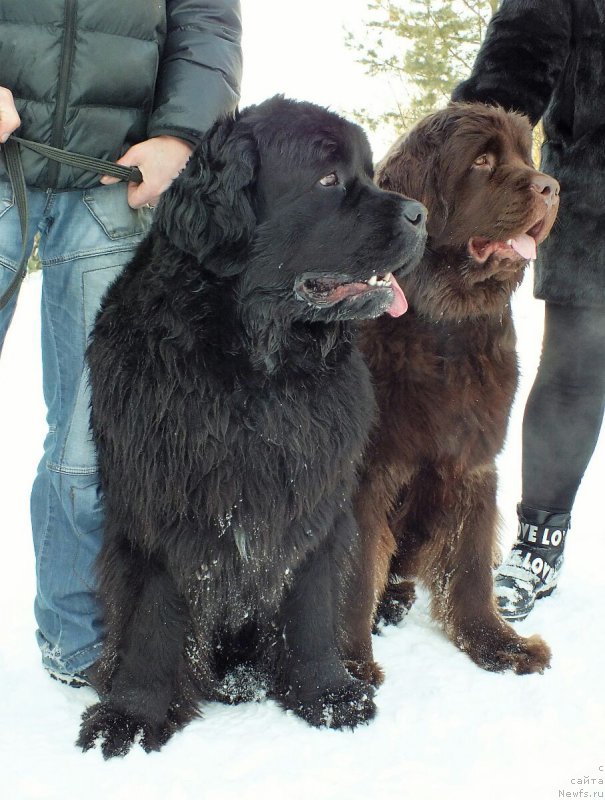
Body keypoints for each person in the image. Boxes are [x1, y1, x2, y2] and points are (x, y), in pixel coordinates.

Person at [0, 0, 242, 685]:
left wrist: (181, 135)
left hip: (112, 185)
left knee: (90, 441)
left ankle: (77, 640)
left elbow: (207, 23)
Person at [452, 0, 605, 620]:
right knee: (575, 371)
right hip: (597, 199)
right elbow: (509, 81)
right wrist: (460, 162)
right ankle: (540, 539)